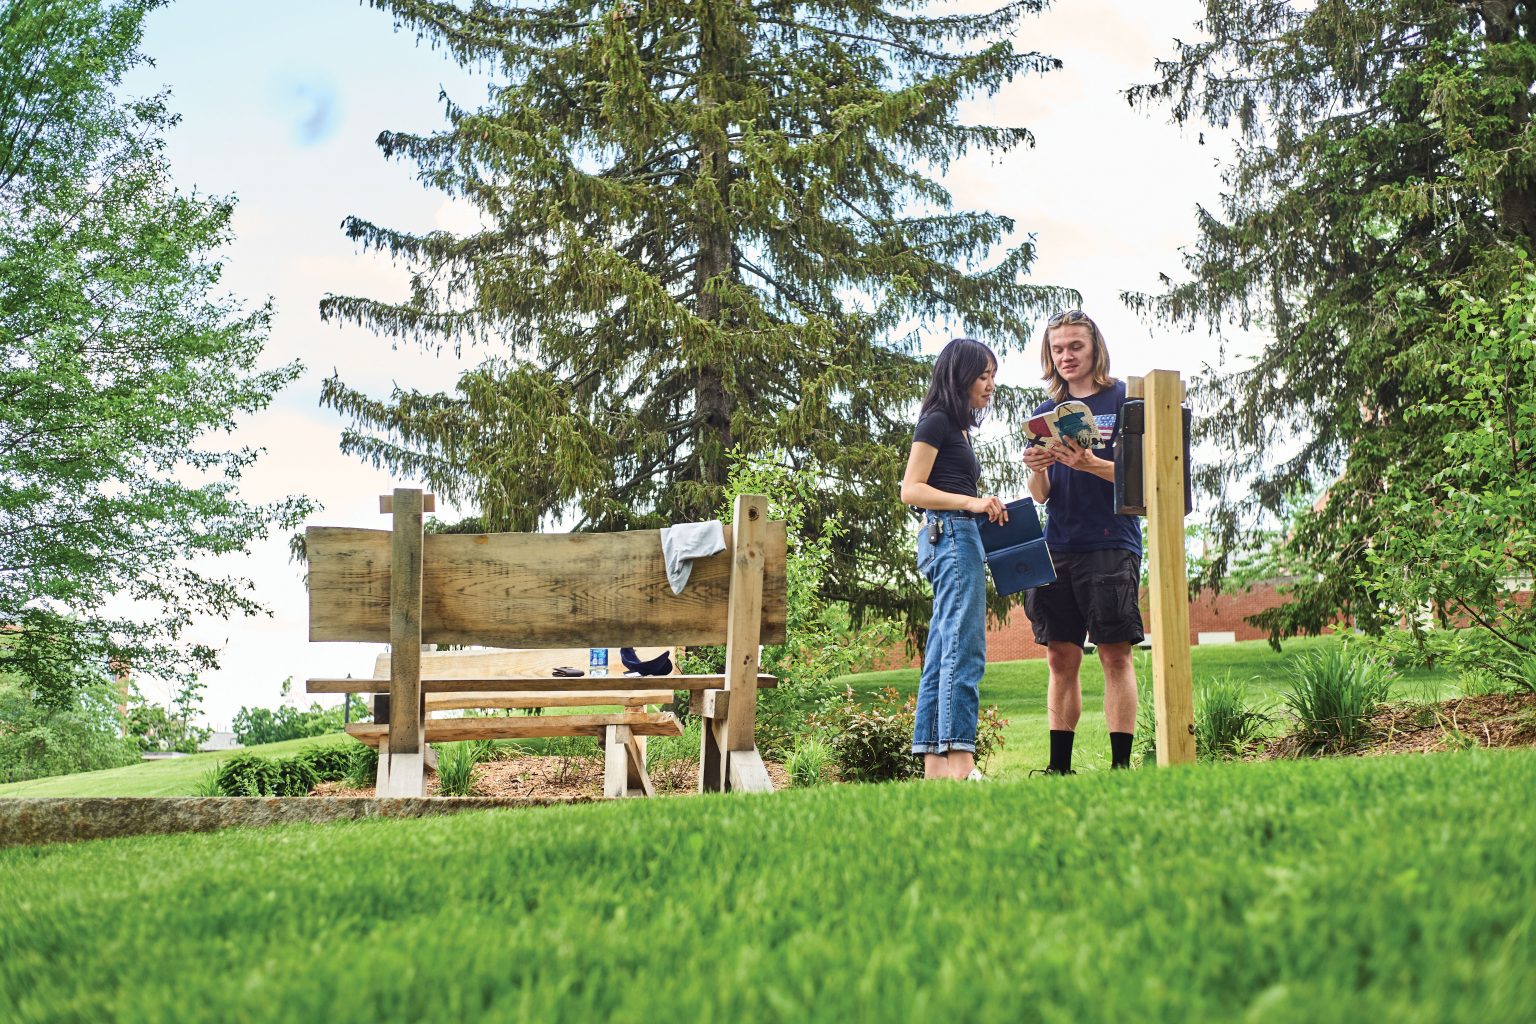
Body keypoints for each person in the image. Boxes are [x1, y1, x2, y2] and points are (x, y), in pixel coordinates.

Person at [1022, 310, 1143, 774]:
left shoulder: (1126, 400)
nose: (1067, 356)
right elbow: (1043, 495)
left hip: (1111, 542)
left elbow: (1143, 477)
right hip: (1058, 545)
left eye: (1075, 346)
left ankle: (1120, 767)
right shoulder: (1043, 414)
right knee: (1060, 657)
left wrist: (1091, 464)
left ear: (1095, 348)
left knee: (1115, 654)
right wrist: (1037, 468)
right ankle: (1059, 768)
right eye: (1058, 348)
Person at [900, 338, 1007, 781]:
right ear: (960, 376)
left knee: (944, 650)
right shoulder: (938, 421)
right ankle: (962, 765)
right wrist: (973, 502)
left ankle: (936, 770)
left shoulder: (958, 428)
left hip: (957, 536)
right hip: (950, 536)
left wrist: (985, 508)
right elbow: (911, 489)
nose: (990, 386)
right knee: (965, 652)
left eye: (993, 377)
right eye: (983, 376)